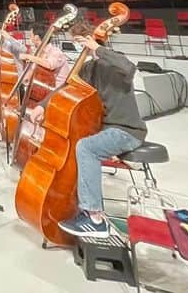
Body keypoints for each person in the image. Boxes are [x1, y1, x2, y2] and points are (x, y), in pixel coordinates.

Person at [58, 21, 147, 237]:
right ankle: (80, 204)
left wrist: (96, 47)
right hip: (106, 131)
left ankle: (95, 218)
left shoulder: (115, 63)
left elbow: (130, 68)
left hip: (127, 130)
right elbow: (66, 89)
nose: (78, 47)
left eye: (79, 42)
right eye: (74, 43)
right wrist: (42, 108)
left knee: (86, 148)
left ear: (91, 38)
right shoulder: (88, 69)